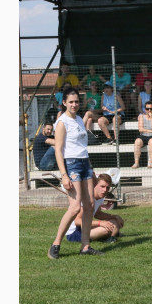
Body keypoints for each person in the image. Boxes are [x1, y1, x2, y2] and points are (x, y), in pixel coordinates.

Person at [47, 87, 104, 259]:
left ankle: (85, 246)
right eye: (70, 102)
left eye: (76, 101)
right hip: (71, 165)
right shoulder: (62, 122)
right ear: (64, 102)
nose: (74, 104)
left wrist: (91, 168)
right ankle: (56, 244)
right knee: (74, 207)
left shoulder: (79, 119)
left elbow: (82, 147)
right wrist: (64, 175)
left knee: (90, 205)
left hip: (85, 162)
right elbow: (58, 150)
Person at [65, 173, 124, 244]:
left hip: (86, 227)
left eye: (107, 187)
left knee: (115, 222)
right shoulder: (86, 197)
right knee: (107, 229)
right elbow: (77, 221)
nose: (105, 190)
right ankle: (111, 235)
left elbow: (97, 214)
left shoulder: (100, 197)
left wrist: (114, 216)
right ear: (95, 185)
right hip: (74, 233)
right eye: (102, 186)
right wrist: (100, 223)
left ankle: (111, 237)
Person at [132, 102, 152, 169]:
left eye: (151, 108)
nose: (149, 110)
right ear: (145, 109)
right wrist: (151, 131)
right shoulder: (141, 116)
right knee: (137, 141)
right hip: (144, 135)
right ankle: (136, 163)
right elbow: (141, 129)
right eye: (147, 109)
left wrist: (151, 118)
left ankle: (150, 162)